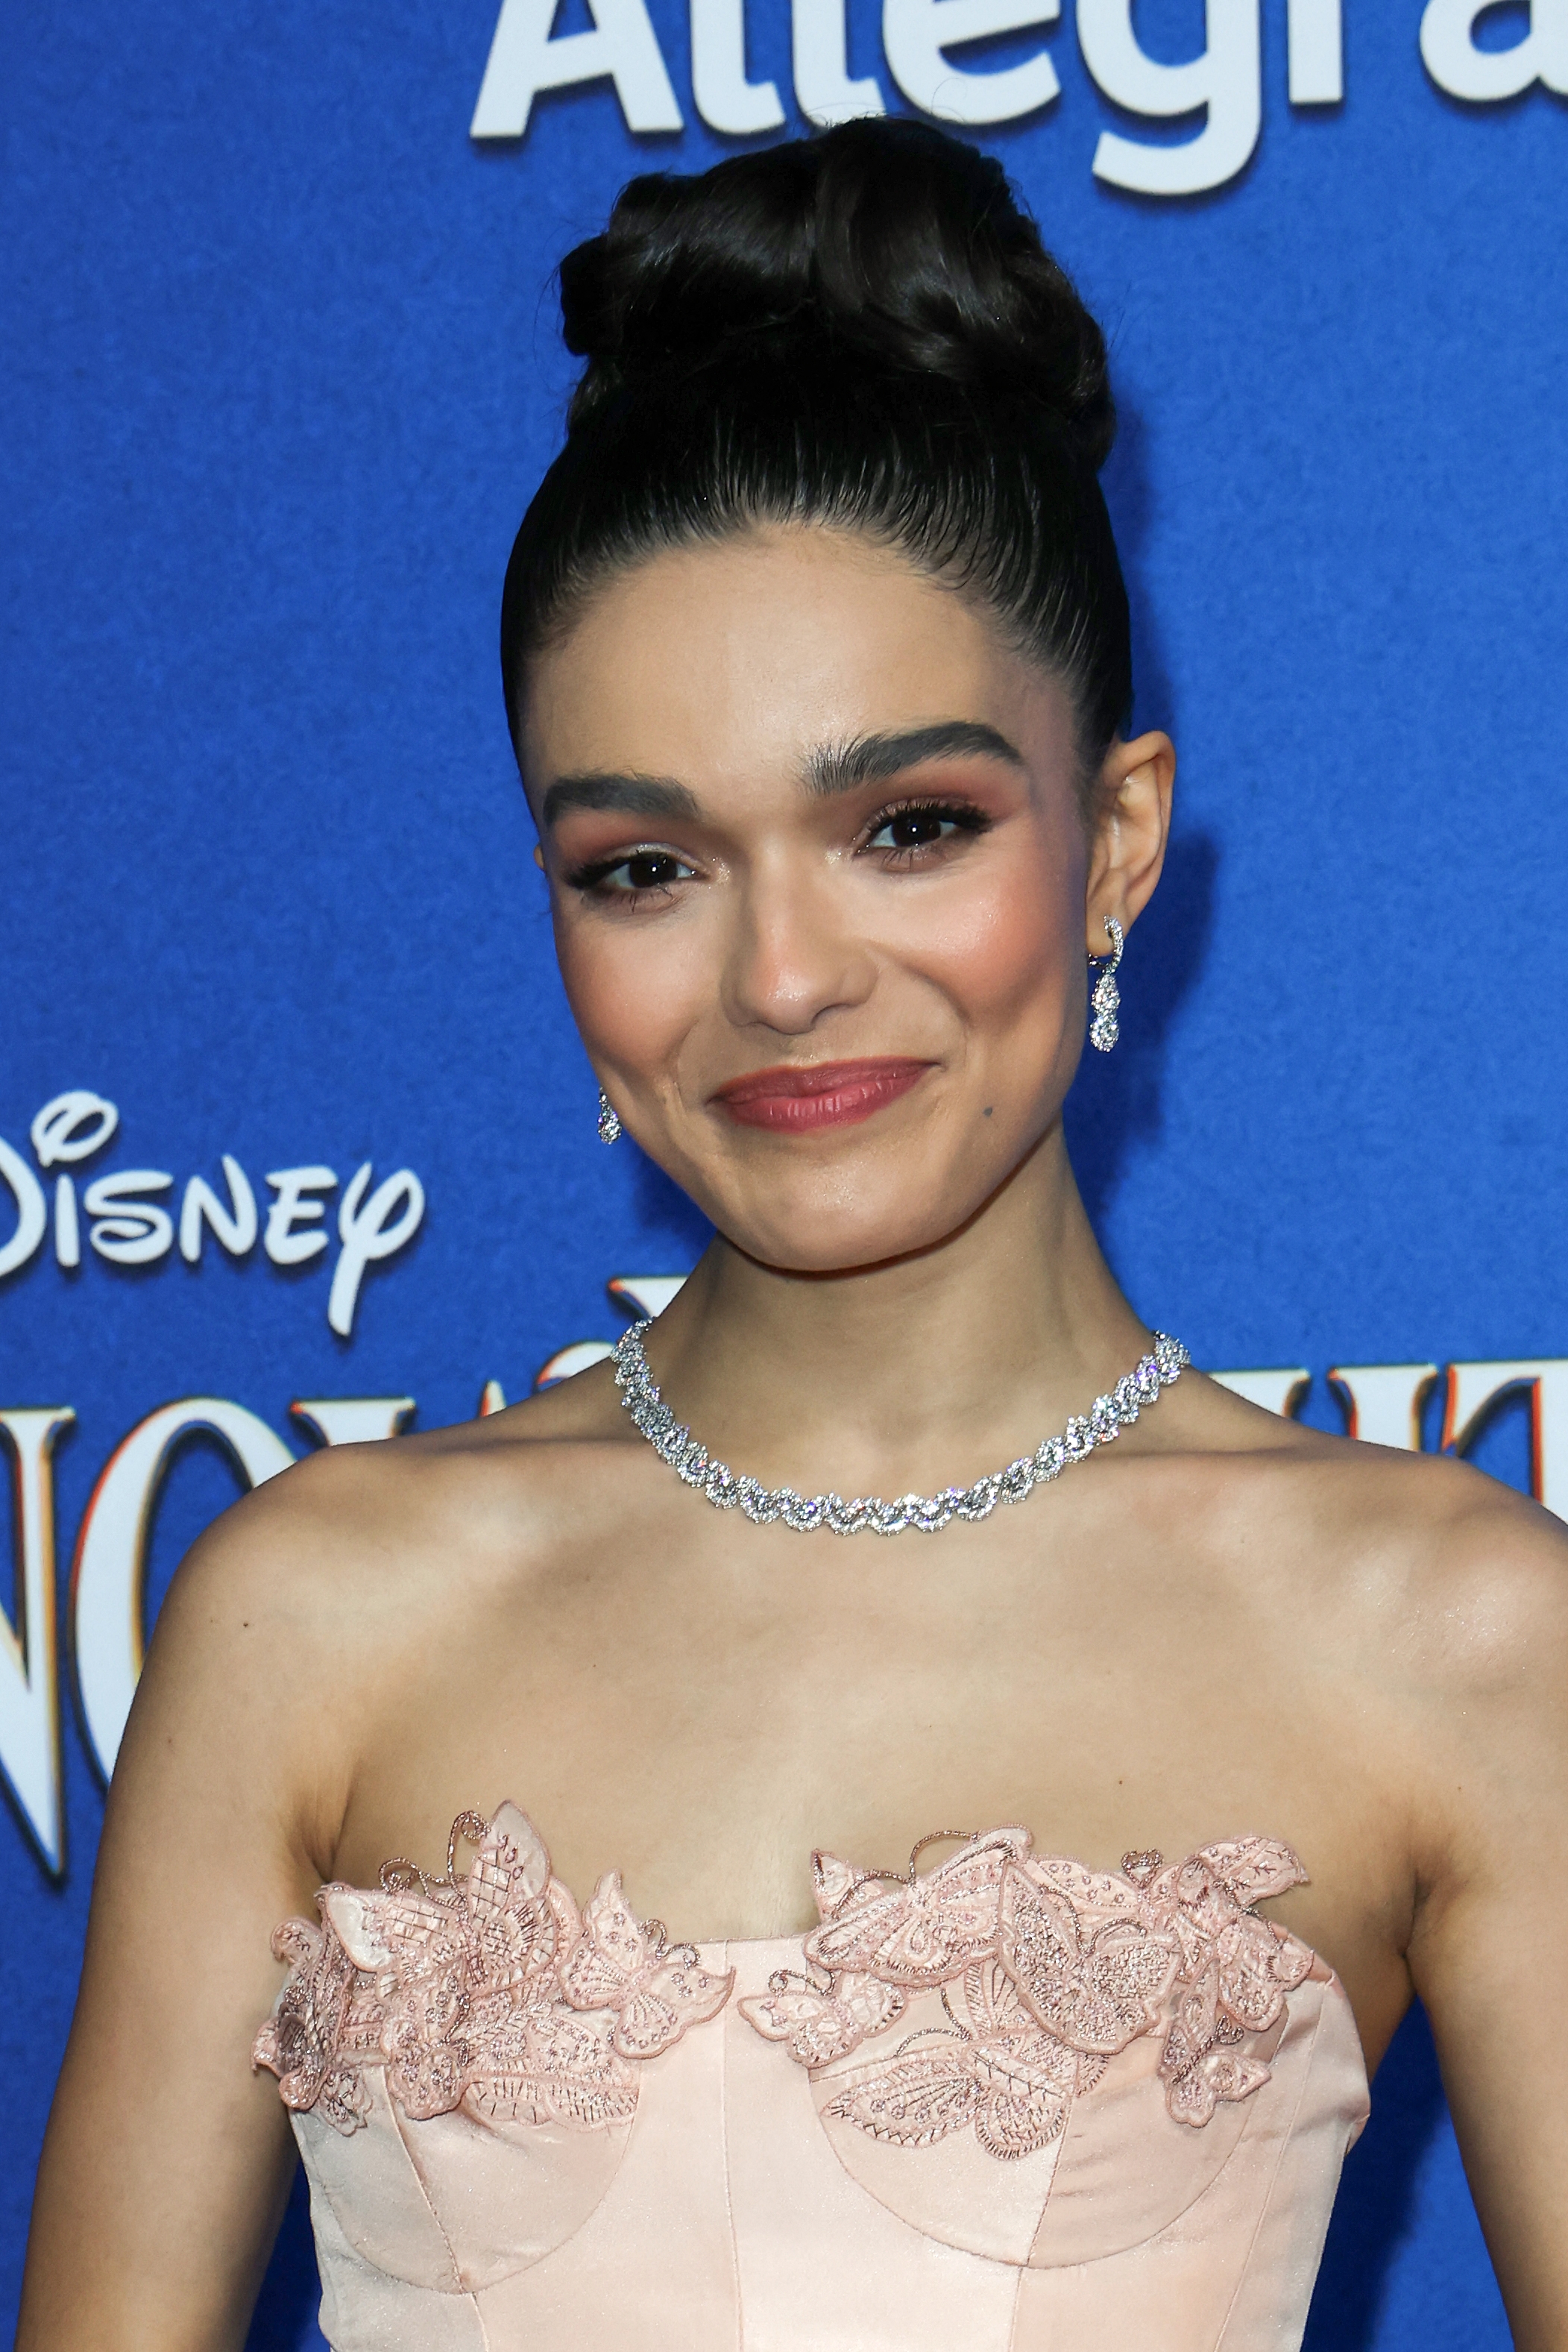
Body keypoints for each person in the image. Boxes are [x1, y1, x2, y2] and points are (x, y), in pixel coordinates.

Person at [19, 119, 1568, 2352]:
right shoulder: (308, 1614)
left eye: (908, 824)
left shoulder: (1451, 1636)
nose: (781, 977)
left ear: (1117, 840)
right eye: (647, 864)